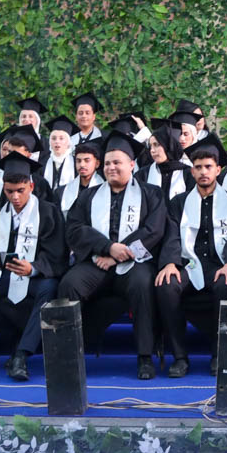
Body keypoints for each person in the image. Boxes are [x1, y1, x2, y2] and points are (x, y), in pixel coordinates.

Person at [58, 131, 169, 380]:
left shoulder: (151, 194)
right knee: (70, 284)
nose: (111, 167)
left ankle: (145, 356)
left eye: (117, 162)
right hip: (97, 262)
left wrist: (119, 253)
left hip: (135, 263)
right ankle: (68, 355)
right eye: (107, 163)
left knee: (142, 284)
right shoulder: (89, 195)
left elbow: (154, 231)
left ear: (132, 164)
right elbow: (74, 229)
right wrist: (107, 247)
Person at [0, 154, 67, 381]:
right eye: (10, 191)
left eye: (20, 190)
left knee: (49, 290)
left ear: (31, 186)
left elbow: (57, 253)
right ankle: (17, 336)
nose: (15, 197)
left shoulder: (49, 212)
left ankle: (21, 355)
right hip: (5, 276)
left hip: (37, 277)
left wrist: (34, 268)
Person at [155, 136, 227, 377]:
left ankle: (220, 354)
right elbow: (171, 235)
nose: (203, 172)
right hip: (189, 264)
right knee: (167, 285)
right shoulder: (178, 203)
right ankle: (179, 357)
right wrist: (170, 263)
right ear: (192, 171)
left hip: (220, 264)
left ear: (218, 170)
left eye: (208, 167)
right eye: (198, 167)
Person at [0, 125, 53, 216]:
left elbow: (47, 215)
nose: (9, 156)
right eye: (9, 152)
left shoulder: (40, 185)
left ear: (29, 155)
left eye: (17, 154)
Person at [143, 125, 191, 198]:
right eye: (150, 146)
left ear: (168, 146)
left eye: (156, 145)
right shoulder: (143, 174)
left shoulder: (188, 174)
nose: (152, 150)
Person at [58, 140, 104, 215]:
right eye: (78, 161)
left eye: (87, 161)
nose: (82, 165)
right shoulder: (62, 192)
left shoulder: (105, 190)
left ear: (97, 164)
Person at [42, 115, 78, 188]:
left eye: (61, 138)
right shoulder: (43, 162)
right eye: (53, 138)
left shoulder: (76, 163)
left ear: (68, 143)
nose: (57, 141)